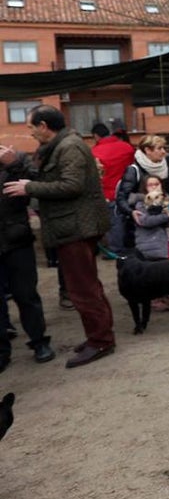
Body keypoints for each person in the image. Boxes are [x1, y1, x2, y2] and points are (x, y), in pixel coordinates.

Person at [2, 105, 115, 369]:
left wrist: (28, 187)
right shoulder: (58, 146)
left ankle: (101, 341)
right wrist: (17, 165)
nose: (29, 133)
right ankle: (98, 337)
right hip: (69, 227)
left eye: (31, 127)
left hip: (76, 227)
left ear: (43, 126)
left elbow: (71, 185)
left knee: (83, 289)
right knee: (86, 286)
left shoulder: (70, 146)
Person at [0, 144, 55, 369]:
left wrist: (13, 164)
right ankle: (2, 351)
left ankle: (39, 342)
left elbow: (35, 183)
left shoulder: (14, 156)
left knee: (26, 295)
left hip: (16, 240)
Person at [131, 175, 169, 312]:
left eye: (157, 183)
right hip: (151, 245)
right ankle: (155, 298)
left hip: (168, 241)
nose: (154, 187)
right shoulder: (140, 205)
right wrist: (166, 216)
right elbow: (145, 221)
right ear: (144, 188)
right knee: (154, 272)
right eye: (150, 185)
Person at [113, 134, 169, 251]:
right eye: (159, 148)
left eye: (164, 148)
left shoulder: (166, 167)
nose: (164, 152)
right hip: (139, 223)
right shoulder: (133, 170)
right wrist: (132, 212)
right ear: (148, 150)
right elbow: (122, 197)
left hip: (163, 219)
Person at [90, 122, 135, 255]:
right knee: (127, 218)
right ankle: (129, 244)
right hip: (127, 189)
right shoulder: (127, 147)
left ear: (96, 136)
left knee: (113, 221)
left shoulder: (93, 152)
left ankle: (115, 249)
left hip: (107, 192)